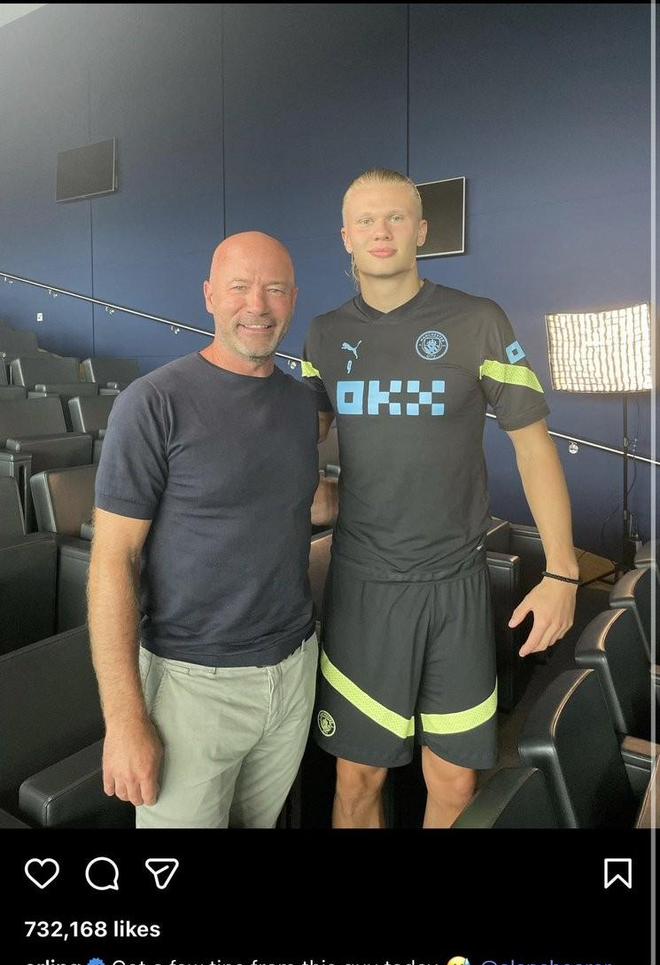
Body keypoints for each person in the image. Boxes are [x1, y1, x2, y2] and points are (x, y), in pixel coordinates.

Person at [302, 169, 579, 828]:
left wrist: (564, 572)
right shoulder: (322, 335)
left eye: (396, 217)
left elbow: (534, 448)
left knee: (455, 781)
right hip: (364, 588)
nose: (381, 231)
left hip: (455, 582)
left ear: (422, 231)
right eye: (366, 220)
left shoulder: (478, 321)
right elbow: (296, 446)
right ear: (346, 237)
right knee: (358, 777)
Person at [88, 231, 335, 828]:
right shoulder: (152, 403)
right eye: (239, 287)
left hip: (294, 668)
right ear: (208, 296)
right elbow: (112, 562)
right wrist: (124, 721)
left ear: (294, 299)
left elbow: (293, 499)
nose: (258, 306)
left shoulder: (303, 406)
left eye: (275, 289)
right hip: (191, 686)